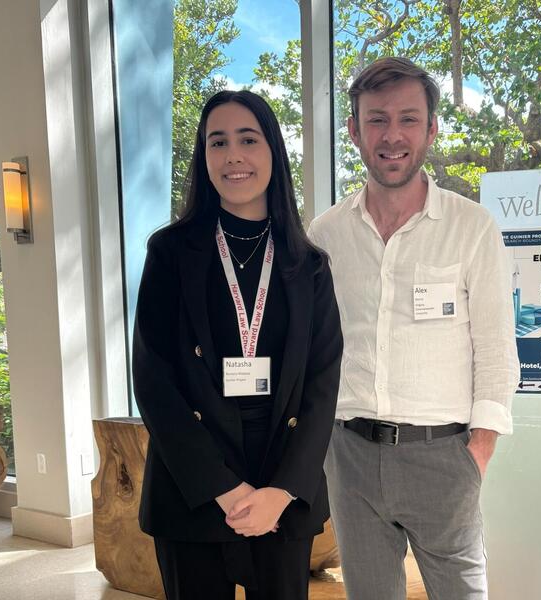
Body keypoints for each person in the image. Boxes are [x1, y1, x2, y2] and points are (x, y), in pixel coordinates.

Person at [308, 57, 520, 600]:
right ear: (354, 130)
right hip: (351, 454)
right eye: (376, 119)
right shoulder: (327, 234)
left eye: (408, 118)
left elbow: (496, 346)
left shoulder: (471, 228)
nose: (392, 135)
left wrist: (479, 447)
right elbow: (315, 346)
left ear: (431, 129)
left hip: (444, 455)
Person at [133, 89, 342, 600]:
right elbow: (153, 381)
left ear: (273, 150)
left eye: (248, 139)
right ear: (203, 158)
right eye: (217, 142)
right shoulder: (170, 252)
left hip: (280, 476)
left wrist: (282, 490)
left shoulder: (308, 264)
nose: (233, 156)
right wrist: (221, 488)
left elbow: (323, 382)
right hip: (193, 483)